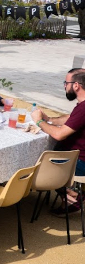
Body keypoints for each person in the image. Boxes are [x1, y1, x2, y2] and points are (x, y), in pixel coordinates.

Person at [33, 70, 85, 203]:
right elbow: (71, 118)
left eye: (66, 83)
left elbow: (59, 135)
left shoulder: (83, 108)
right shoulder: (81, 106)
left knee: (30, 162)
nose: (64, 86)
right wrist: (49, 119)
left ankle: (73, 199)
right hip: (77, 158)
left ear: (76, 86)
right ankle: (70, 194)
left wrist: (39, 121)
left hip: (79, 162)